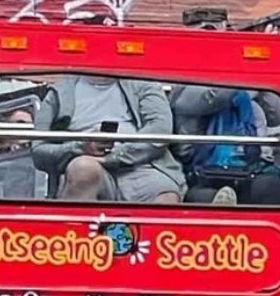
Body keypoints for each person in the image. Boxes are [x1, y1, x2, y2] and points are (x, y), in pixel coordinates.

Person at [30, 74, 185, 203]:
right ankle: (76, 237)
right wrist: (79, 146)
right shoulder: (60, 91)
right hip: (87, 162)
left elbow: (160, 129)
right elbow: (39, 151)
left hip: (142, 164)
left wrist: (116, 156)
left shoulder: (143, 83)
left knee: (166, 196)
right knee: (84, 168)